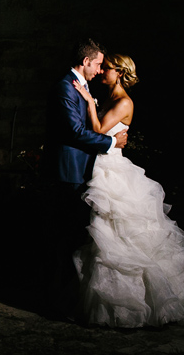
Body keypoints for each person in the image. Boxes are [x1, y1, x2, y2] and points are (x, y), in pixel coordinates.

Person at [71, 54, 184, 327]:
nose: (101, 73)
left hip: (112, 171)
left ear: (119, 72)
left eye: (106, 69)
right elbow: (100, 133)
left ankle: (136, 304)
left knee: (118, 233)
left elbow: (96, 128)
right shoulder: (111, 98)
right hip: (103, 163)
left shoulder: (123, 102)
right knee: (106, 236)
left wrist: (87, 102)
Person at [44, 39, 127, 314]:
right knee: (64, 239)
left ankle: (71, 298)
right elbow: (74, 132)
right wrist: (112, 143)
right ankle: (57, 302)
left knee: (76, 238)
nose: (101, 70)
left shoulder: (81, 85)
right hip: (69, 172)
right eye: (99, 64)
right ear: (86, 61)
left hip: (83, 172)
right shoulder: (65, 87)